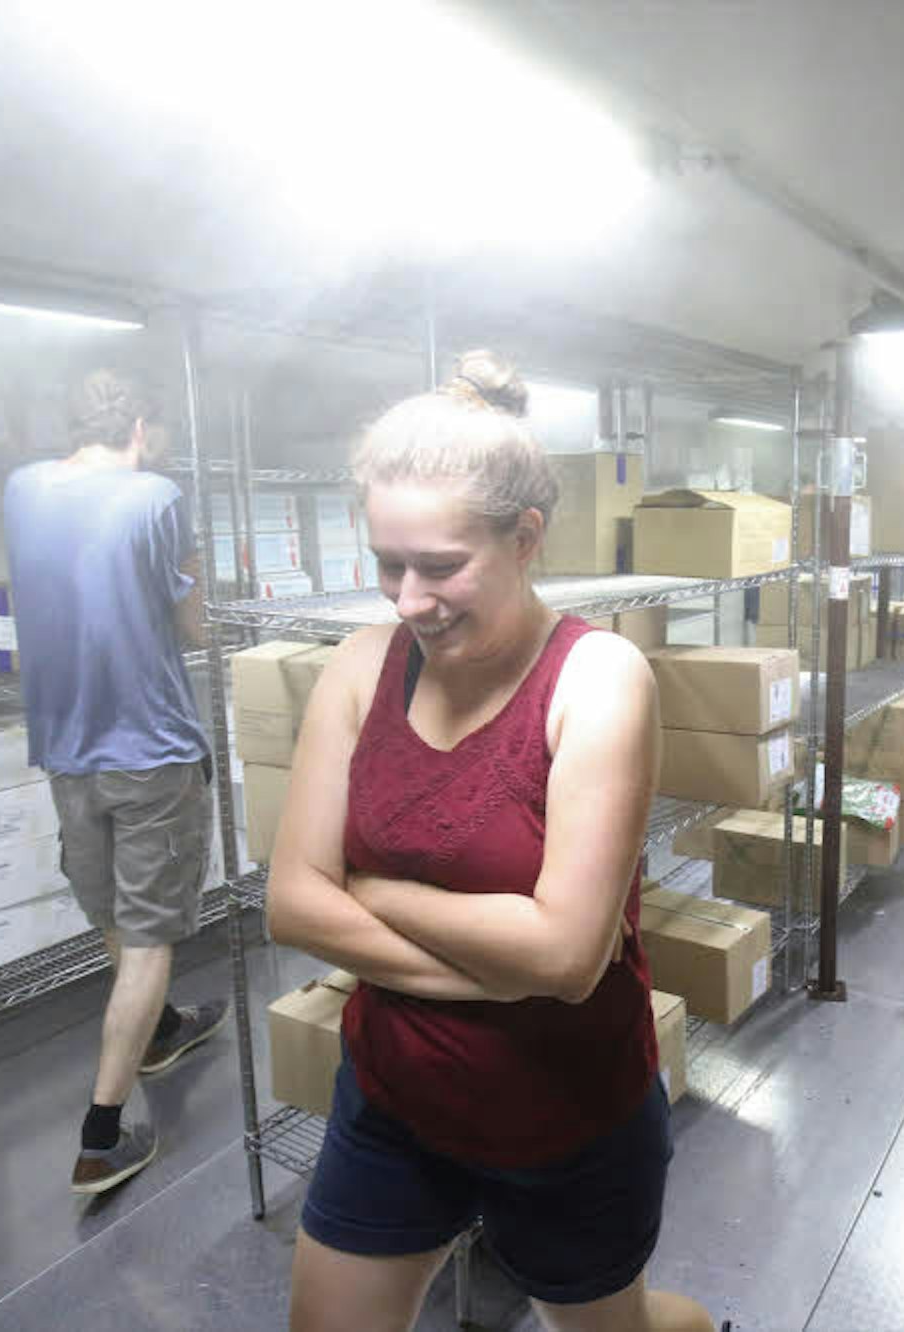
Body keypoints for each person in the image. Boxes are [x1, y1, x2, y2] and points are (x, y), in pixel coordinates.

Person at [268, 351, 717, 1332]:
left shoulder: (597, 679)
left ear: (525, 539)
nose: (407, 600)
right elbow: (292, 903)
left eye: (439, 567)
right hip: (391, 1098)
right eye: (388, 564)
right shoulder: (361, 668)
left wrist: (372, 892)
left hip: (568, 1119)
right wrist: (501, 971)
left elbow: (564, 958)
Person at [4, 368, 229, 1195]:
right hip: (151, 750)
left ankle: (161, 1029)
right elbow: (194, 625)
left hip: (66, 749)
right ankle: (101, 1138)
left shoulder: (23, 489)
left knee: (116, 914)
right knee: (148, 938)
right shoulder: (157, 496)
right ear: (139, 428)